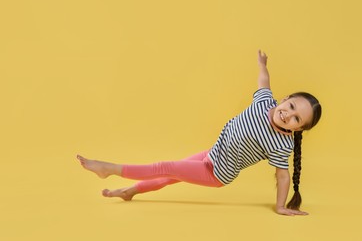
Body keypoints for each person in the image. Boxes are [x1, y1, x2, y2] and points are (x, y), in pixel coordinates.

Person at [77, 49, 322, 216]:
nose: (287, 115)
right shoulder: (265, 101)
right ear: (286, 99)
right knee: (167, 177)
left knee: (166, 167)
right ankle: (129, 191)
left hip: (216, 173)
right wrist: (262, 64)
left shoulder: (281, 143)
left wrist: (280, 206)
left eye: (296, 119)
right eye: (290, 107)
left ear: (298, 129)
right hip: (211, 154)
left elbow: (282, 176)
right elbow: (263, 81)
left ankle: (109, 169)